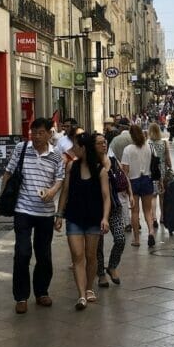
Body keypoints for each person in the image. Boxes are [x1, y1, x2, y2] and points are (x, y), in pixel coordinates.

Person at [1, 117, 65, 314]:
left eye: (40, 133)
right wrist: (4, 198)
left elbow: (60, 179)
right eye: (33, 133)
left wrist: (53, 192)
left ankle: (41, 291)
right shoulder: (21, 148)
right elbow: (8, 173)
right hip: (23, 209)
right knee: (22, 252)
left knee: (43, 254)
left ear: (49, 133)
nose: (36, 137)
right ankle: (21, 296)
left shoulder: (56, 156)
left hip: (45, 212)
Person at [56, 132, 111, 310]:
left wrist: (105, 218)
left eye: (77, 147)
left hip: (94, 218)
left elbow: (106, 197)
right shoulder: (71, 167)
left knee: (91, 256)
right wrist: (59, 214)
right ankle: (81, 295)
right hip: (74, 217)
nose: (73, 149)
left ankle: (89, 288)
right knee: (77, 256)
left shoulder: (101, 171)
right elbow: (64, 192)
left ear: (84, 148)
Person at [96, 133, 129, 288]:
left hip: (114, 207)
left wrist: (130, 192)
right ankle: (101, 274)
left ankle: (112, 266)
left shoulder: (113, 161)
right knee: (98, 243)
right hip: (96, 209)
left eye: (105, 142)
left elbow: (123, 176)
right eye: (100, 143)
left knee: (120, 239)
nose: (104, 145)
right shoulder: (91, 165)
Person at [121, 124, 156, 247]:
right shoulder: (149, 147)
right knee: (148, 210)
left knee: (135, 212)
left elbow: (125, 170)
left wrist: (125, 187)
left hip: (133, 181)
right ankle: (151, 231)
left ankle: (136, 239)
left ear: (131, 135)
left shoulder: (128, 149)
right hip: (147, 179)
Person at [148, 121, 173, 229]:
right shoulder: (164, 143)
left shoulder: (148, 144)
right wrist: (170, 167)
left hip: (151, 171)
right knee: (162, 196)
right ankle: (162, 216)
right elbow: (168, 159)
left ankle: (153, 218)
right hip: (162, 170)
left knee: (153, 196)